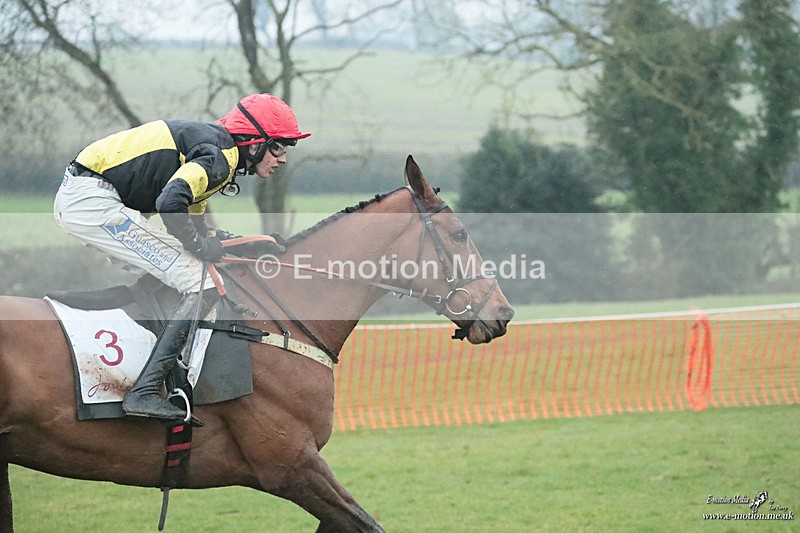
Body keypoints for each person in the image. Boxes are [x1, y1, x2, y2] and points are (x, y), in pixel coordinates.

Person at [53, 93, 310, 423]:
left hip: (88, 195)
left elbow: (196, 225)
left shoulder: (216, 151)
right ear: (253, 142)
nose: (283, 158)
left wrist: (246, 244)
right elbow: (171, 204)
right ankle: (144, 392)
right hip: (93, 201)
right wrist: (201, 247)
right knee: (200, 283)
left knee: (183, 269)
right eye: (278, 147)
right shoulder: (220, 157)